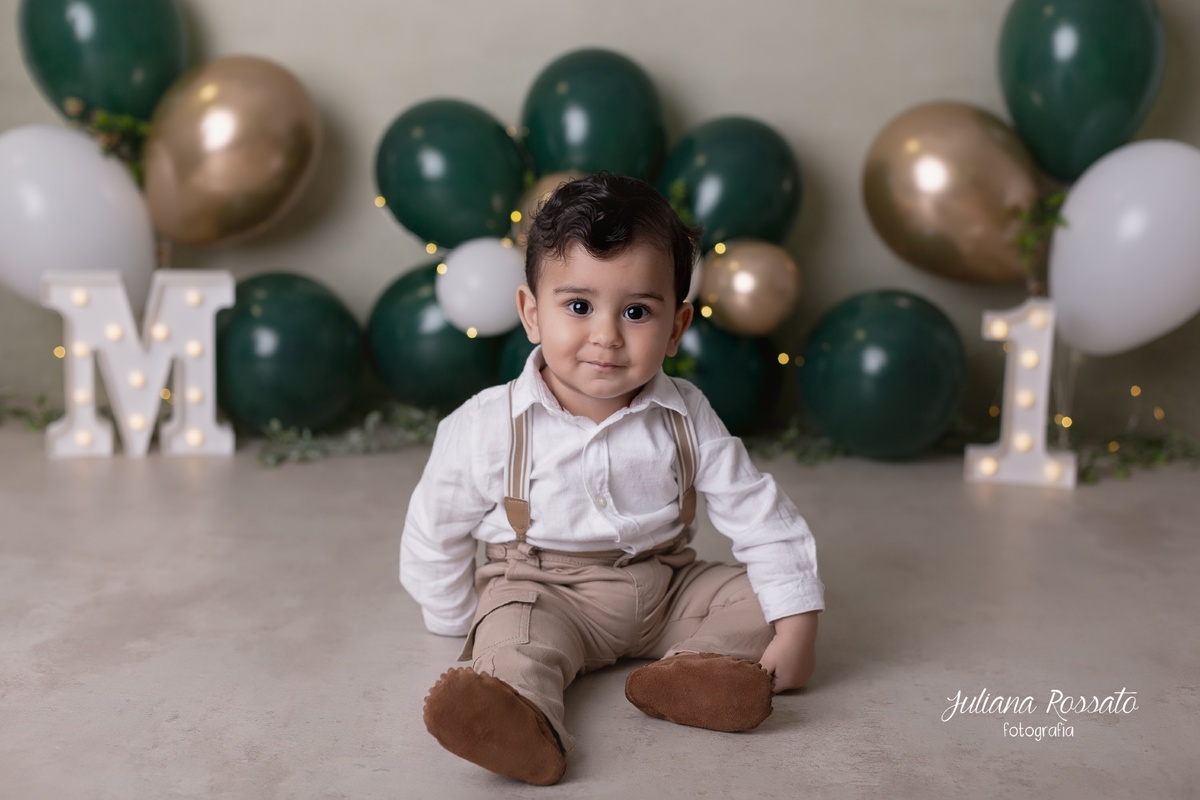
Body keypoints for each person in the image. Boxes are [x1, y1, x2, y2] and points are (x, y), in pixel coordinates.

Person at [400, 172, 823, 786]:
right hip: (547, 587)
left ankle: (692, 675)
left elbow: (758, 512)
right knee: (514, 637)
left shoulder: (686, 413)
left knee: (758, 598)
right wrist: (457, 616)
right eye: (578, 306)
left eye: (636, 311)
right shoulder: (488, 425)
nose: (606, 335)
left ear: (676, 327)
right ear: (531, 312)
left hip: (667, 583)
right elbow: (434, 526)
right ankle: (520, 718)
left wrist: (798, 623)